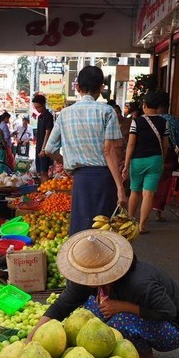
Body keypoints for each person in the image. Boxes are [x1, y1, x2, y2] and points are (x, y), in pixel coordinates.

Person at [29, 230, 179, 358]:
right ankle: (121, 344)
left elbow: (169, 312)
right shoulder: (86, 281)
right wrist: (31, 338)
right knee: (89, 312)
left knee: (119, 322)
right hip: (144, 313)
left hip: (173, 328)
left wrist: (125, 307)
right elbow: (61, 306)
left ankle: (145, 356)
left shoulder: (139, 283)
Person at [41, 66, 125, 234]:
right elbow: (109, 151)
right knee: (104, 231)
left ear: (77, 87)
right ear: (101, 88)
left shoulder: (64, 114)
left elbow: (49, 149)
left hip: (80, 178)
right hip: (103, 178)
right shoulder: (107, 111)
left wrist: (67, 163)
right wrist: (120, 187)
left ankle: (80, 260)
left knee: (81, 229)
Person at [123, 90, 173, 233]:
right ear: (158, 106)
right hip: (155, 160)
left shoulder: (136, 122)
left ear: (144, 105)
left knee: (134, 192)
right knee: (148, 194)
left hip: (137, 161)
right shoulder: (164, 123)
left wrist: (126, 164)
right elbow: (165, 144)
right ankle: (142, 226)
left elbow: (131, 145)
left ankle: (130, 221)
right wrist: (162, 160)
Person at [31, 94, 54, 178]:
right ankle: (42, 189)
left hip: (44, 148)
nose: (37, 109)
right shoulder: (40, 117)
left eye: (38, 107)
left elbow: (48, 132)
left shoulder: (48, 116)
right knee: (40, 172)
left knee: (44, 172)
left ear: (43, 104)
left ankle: (45, 190)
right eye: (35, 107)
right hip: (39, 147)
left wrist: (43, 149)